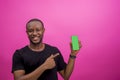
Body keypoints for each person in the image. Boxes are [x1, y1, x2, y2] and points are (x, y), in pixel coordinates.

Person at [12, 18, 82, 80]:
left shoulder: (54, 51)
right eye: (31, 31)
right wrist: (44, 66)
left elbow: (66, 76)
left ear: (43, 31)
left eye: (38, 30)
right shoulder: (19, 54)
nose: (34, 33)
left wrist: (72, 55)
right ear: (27, 33)